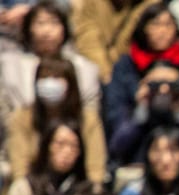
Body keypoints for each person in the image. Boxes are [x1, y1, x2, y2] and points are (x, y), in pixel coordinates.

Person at [102, 4, 179, 144]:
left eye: (168, 25)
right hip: (136, 153)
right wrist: (142, 108)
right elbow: (116, 142)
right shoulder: (125, 69)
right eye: (155, 24)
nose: (162, 31)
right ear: (143, 28)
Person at [5, 57, 105, 185]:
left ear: (70, 83)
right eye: (44, 77)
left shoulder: (88, 119)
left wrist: (91, 193)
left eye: (56, 77)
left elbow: (96, 169)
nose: (49, 82)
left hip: (77, 187)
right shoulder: (22, 117)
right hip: (33, 187)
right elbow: (19, 168)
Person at [0, 1, 100, 117]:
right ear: (29, 29)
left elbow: (90, 115)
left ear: (64, 29)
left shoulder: (84, 68)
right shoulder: (9, 66)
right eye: (40, 23)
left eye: (54, 23)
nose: (46, 31)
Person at [106, 58, 179, 167]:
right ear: (143, 84)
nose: (163, 90)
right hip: (141, 172)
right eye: (156, 84)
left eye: (171, 84)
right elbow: (117, 148)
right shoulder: (134, 109)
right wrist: (141, 109)